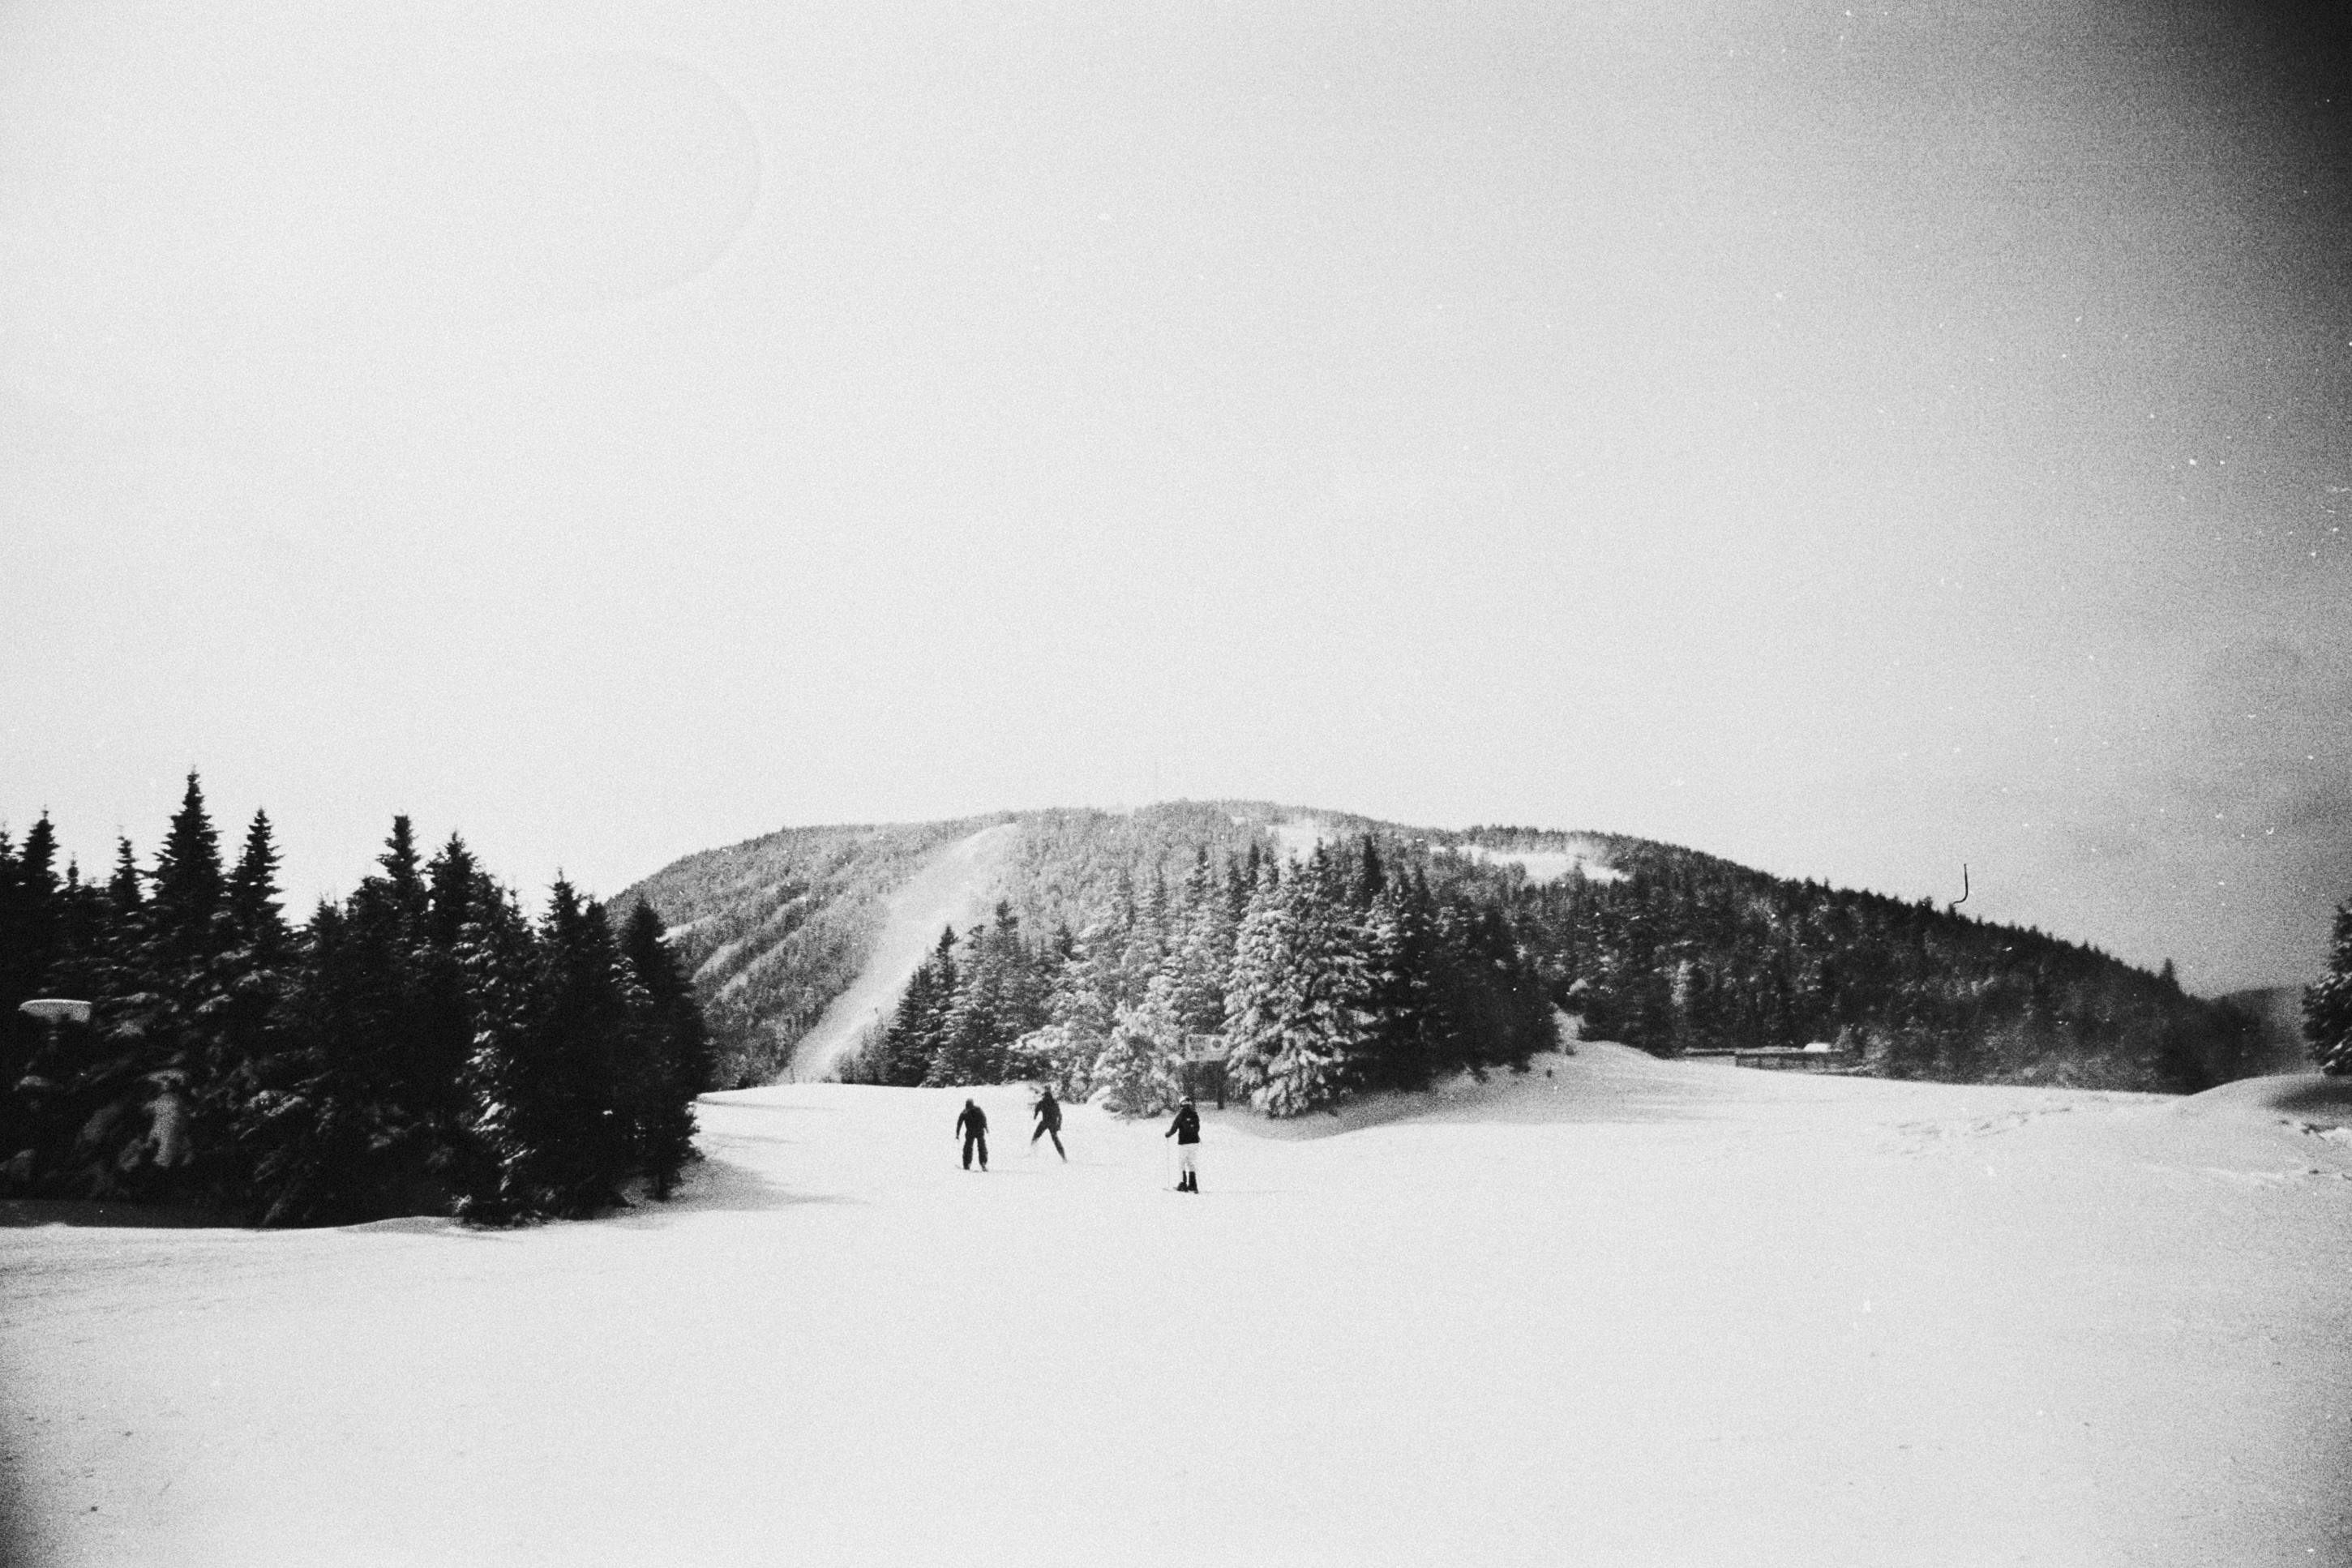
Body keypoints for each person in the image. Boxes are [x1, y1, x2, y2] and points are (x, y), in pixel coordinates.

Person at [1163, 1097, 1201, 1192]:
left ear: (1181, 1104)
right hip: (1194, 1142)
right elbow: (1197, 1128)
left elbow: (1174, 1128)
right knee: (1191, 1163)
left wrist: (1168, 1134)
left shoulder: (1181, 1115)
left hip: (1184, 1143)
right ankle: (1193, 1184)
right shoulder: (1195, 1114)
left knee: (1181, 1163)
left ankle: (1182, 1184)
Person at [1030, 1086, 1066, 1161]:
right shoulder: (1054, 1103)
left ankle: (1032, 1152)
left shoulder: (1043, 1103)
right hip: (1052, 1123)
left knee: (1035, 1137)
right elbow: (1060, 1115)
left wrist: (1035, 1115)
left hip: (1045, 1122)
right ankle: (1063, 1157)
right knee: (1056, 1140)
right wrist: (1059, 1125)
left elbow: (1037, 1109)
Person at [956, 1098, 988, 1172]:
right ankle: (967, 1164)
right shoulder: (964, 1112)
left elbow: (983, 1118)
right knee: (968, 1148)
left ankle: (983, 1163)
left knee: (982, 1147)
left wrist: (986, 1127)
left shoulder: (978, 1110)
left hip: (979, 1131)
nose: (968, 1108)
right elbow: (959, 1123)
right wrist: (957, 1133)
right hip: (970, 1132)